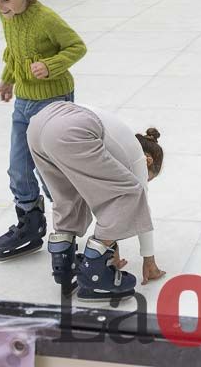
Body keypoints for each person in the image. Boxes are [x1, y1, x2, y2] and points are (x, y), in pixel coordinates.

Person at [0, 0, 88, 262]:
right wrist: (8, 80)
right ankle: (31, 223)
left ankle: (67, 228)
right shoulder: (8, 18)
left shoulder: (46, 18)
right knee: (18, 168)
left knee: (51, 174)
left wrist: (50, 65)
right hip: (23, 101)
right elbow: (13, 53)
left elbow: (76, 47)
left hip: (53, 102)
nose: (0, 6)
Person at [28, 103, 166, 300]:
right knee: (131, 194)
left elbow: (103, 199)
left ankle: (64, 265)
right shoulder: (137, 159)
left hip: (40, 124)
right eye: (149, 177)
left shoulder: (118, 143)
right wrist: (149, 259)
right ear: (149, 161)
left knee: (69, 195)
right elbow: (136, 202)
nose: (145, 180)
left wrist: (112, 247)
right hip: (71, 128)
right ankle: (94, 273)